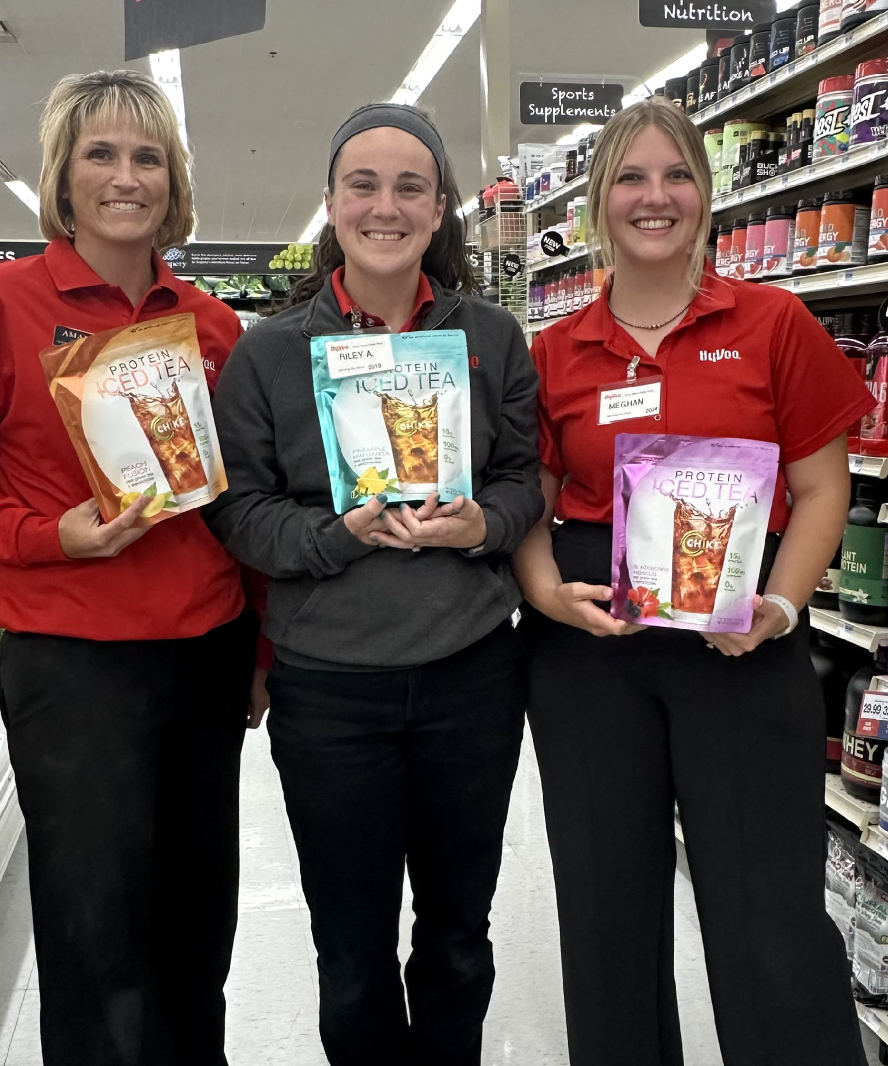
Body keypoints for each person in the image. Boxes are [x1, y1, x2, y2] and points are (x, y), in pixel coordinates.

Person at [0, 70, 265, 1066]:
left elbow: (242, 509)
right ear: (62, 172)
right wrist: (54, 534)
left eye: (147, 157)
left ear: (173, 178)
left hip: (205, 661)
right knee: (95, 940)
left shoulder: (214, 327)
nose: (126, 177)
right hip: (74, 667)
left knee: (197, 930)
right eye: (101, 153)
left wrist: (262, 650)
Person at [513, 98, 873, 1066]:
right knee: (605, 911)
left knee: (770, 918)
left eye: (676, 176)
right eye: (631, 177)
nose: (655, 196)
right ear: (599, 203)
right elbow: (530, 501)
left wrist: (783, 606)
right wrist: (547, 593)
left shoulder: (773, 324)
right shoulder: (555, 352)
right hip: (593, 639)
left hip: (742, 630)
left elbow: (821, 484)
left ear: (706, 199)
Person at [204, 103, 543, 1065]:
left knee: (457, 938)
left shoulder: (492, 339)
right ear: (331, 205)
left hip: (472, 677)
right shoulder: (270, 354)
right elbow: (238, 511)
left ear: (441, 212)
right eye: (364, 184)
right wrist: (336, 536)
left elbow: (524, 477)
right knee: (349, 950)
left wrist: (488, 523)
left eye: (410, 187)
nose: (385, 207)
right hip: (329, 692)